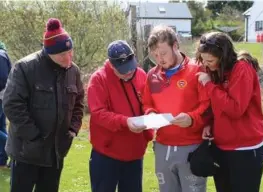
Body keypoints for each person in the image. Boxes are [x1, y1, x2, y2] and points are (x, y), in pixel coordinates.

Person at [2, 18, 84, 192]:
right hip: (27, 152)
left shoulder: (73, 71)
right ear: (49, 52)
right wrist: (34, 136)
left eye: (71, 52)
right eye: (63, 54)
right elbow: (12, 105)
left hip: (56, 153)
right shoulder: (25, 68)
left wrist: (72, 129)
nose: (68, 58)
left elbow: (78, 103)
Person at [142, 25, 211, 192]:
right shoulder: (152, 75)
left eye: (163, 53)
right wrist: (150, 114)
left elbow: (208, 106)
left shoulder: (197, 70)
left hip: (192, 148)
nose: (160, 59)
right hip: (163, 147)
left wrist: (191, 119)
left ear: (175, 45)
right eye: (155, 55)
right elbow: (147, 103)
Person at [196, 31, 263, 192]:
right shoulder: (215, 71)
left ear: (223, 56)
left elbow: (235, 109)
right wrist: (209, 124)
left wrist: (209, 86)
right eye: (203, 60)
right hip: (221, 147)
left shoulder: (242, 69)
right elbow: (215, 106)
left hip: (246, 149)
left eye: (210, 60)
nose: (206, 65)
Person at [87, 40, 154, 192]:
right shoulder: (98, 79)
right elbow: (98, 113)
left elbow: (147, 103)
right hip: (106, 154)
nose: (129, 72)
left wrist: (150, 116)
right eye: (123, 70)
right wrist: (125, 121)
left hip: (134, 152)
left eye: (131, 67)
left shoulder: (141, 75)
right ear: (111, 65)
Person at [0, 41, 12, 168]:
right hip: (3, 96)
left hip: (1, 96)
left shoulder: (0, 55)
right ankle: (2, 160)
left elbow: (2, 78)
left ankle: (14, 148)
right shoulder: (3, 54)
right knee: (1, 127)